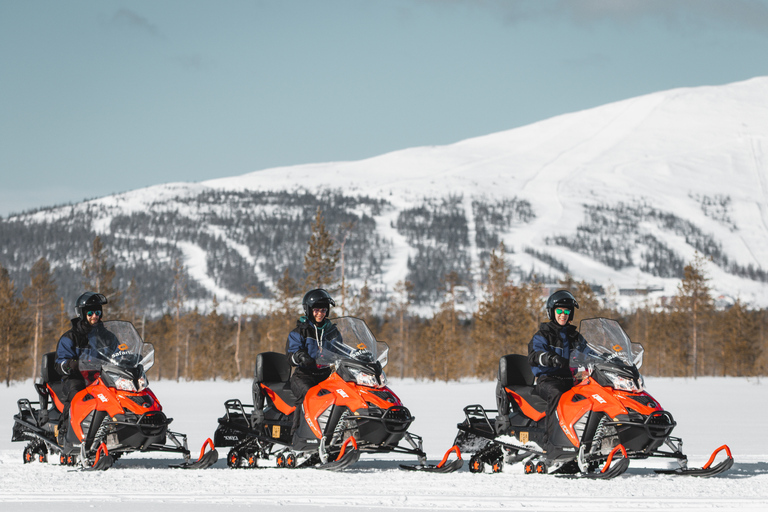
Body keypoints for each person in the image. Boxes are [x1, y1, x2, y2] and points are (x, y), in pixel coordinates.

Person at [527, 289, 586, 450]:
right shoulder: (543, 335)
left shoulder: (576, 337)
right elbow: (534, 355)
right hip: (549, 380)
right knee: (558, 394)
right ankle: (551, 443)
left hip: (573, 380)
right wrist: (551, 358)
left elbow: (589, 353)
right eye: (559, 310)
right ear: (552, 312)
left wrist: (608, 358)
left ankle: (586, 441)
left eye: (567, 310)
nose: (563, 314)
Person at [54, 291, 108, 445]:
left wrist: (129, 357)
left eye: (97, 312)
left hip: (101, 376)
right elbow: (60, 364)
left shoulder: (106, 336)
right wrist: (72, 365)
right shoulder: (70, 337)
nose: (94, 316)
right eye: (90, 313)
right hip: (77, 377)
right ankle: (65, 432)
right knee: (76, 394)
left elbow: (117, 351)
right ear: (82, 314)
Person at [285, 289, 340, 403]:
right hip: (304, 376)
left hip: (326, 375)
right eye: (316, 310)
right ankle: (299, 420)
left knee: (342, 396)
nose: (320, 313)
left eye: (323, 310)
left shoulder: (332, 332)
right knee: (310, 396)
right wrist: (300, 356)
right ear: (309, 310)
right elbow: (291, 355)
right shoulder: (300, 332)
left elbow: (341, 349)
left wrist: (357, 355)